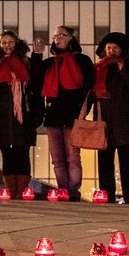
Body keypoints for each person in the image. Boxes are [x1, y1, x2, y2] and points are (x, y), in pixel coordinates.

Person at [0, 30, 41, 199]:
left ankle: (21, 192)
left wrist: (38, 114)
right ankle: (12, 192)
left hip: (23, 114)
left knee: (22, 154)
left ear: (17, 43)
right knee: (7, 154)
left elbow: (37, 83)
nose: (7, 45)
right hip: (2, 114)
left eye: (10, 42)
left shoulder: (26, 62)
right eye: (4, 42)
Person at [32, 26, 94, 200]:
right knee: (57, 159)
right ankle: (62, 190)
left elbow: (89, 87)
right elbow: (35, 81)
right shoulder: (50, 63)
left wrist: (83, 110)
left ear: (71, 38)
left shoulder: (82, 61)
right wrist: (37, 54)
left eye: (62, 35)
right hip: (53, 117)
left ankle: (73, 193)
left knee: (73, 157)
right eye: (55, 36)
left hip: (73, 116)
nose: (57, 38)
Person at [94, 32, 129, 203]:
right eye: (108, 47)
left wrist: (122, 67)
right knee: (104, 163)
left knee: (127, 163)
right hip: (104, 121)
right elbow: (91, 92)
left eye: (115, 48)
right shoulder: (100, 67)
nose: (111, 51)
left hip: (126, 121)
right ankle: (107, 197)